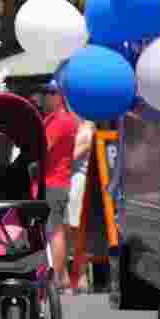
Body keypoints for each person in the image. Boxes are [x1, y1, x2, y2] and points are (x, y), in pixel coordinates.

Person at [42, 79, 79, 293]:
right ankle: (58, 277)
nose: (47, 96)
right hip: (57, 181)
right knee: (55, 230)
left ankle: (55, 279)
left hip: (54, 182)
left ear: (60, 96)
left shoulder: (61, 120)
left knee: (54, 231)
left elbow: (43, 147)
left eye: (51, 92)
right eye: (46, 92)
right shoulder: (58, 119)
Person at [66, 116, 95, 294]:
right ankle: (75, 276)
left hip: (77, 181)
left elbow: (70, 156)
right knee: (70, 229)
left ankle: (80, 275)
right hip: (67, 181)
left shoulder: (87, 129)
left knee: (75, 229)